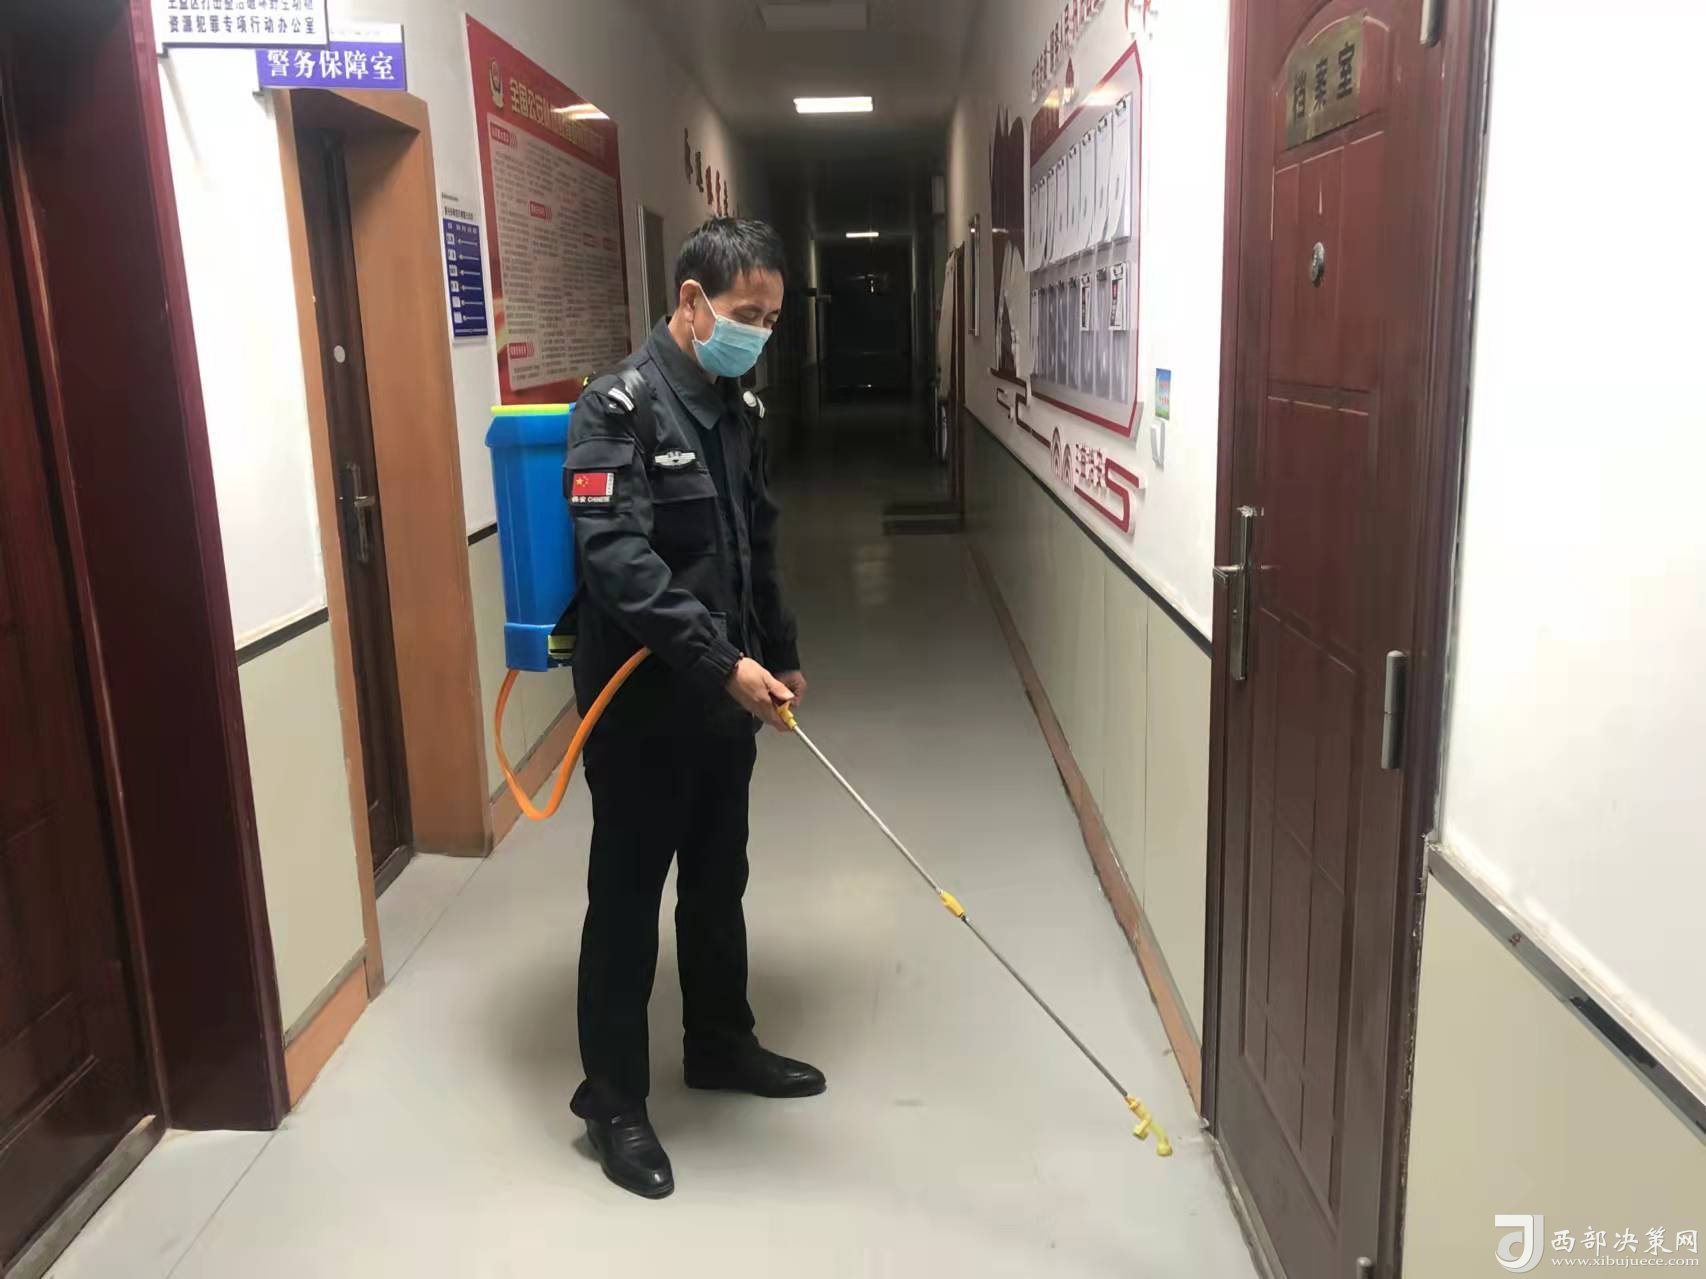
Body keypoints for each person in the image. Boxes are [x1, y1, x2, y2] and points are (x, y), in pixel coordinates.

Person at [563, 218, 821, 1200]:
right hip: (641, 711)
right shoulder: (614, 410)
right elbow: (619, 565)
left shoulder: (735, 407)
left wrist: (778, 652)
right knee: (627, 902)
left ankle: (718, 1041)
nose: (760, 333)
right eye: (749, 314)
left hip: (723, 705)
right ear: (690, 301)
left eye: (772, 319)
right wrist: (724, 663)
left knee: (718, 880)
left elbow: (757, 538)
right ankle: (612, 1101)